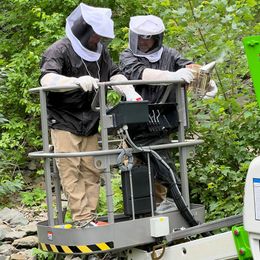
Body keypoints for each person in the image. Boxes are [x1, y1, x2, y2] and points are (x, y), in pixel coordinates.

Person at [39, 3, 142, 227]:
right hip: (64, 120)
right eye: (96, 35)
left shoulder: (100, 52)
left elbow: (114, 73)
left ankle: (91, 218)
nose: (98, 39)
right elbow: (47, 79)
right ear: (84, 30)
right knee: (70, 169)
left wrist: (129, 91)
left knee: (92, 169)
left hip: (90, 119)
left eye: (101, 36)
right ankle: (82, 219)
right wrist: (74, 82)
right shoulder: (60, 49)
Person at [119, 15, 217, 208]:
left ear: (157, 37)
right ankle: (142, 212)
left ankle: (164, 210)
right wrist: (172, 75)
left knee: (162, 168)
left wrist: (206, 81)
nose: (144, 42)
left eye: (149, 38)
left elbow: (189, 68)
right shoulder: (127, 55)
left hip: (161, 122)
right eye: (140, 37)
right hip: (134, 126)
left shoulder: (169, 54)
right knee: (134, 172)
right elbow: (140, 73)